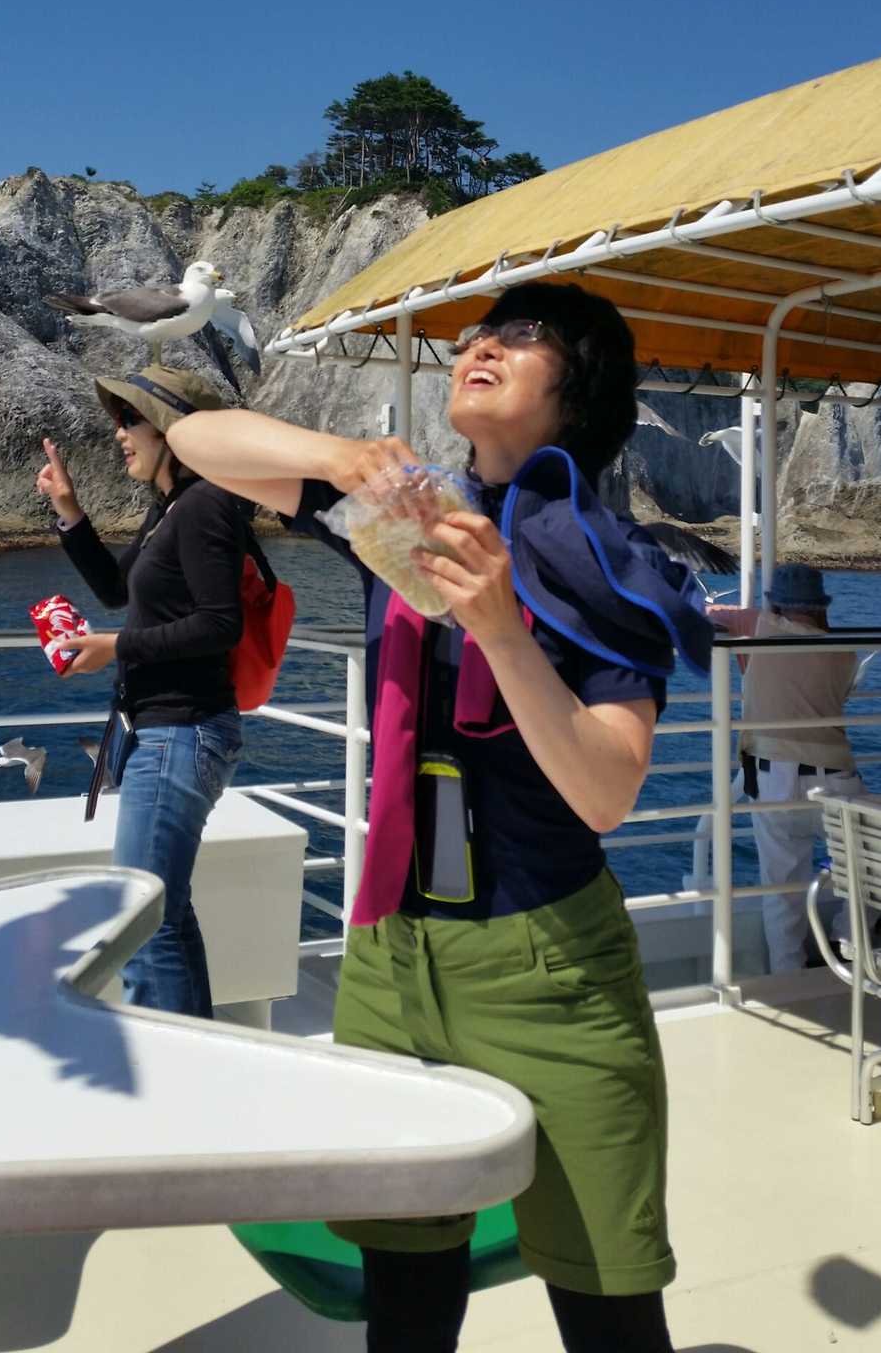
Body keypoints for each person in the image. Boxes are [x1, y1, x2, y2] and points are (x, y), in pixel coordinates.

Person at [167, 283, 713, 1353]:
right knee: (406, 1305)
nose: (481, 345)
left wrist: (503, 630)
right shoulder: (406, 520)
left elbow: (607, 791)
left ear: (580, 389)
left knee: (607, 1305)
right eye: (478, 332)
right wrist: (340, 458)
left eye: (523, 335)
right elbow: (195, 440)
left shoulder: (608, 563)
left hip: (552, 972)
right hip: (391, 960)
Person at [36, 363, 246, 1017]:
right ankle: (198, 1054)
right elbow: (115, 591)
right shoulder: (171, 508)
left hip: (181, 732)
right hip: (163, 732)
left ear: (171, 430)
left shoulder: (205, 504)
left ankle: (173, 1064)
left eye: (131, 419)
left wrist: (116, 647)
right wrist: (69, 509)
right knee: (163, 914)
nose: (119, 433)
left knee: (143, 919)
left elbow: (220, 624)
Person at [710, 564, 868, 973]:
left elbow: (704, 616)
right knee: (866, 871)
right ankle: (845, 945)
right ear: (819, 606)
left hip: (773, 777)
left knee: (781, 890)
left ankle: (788, 974)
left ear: (776, 603)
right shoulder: (844, 652)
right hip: (836, 779)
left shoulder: (756, 625)